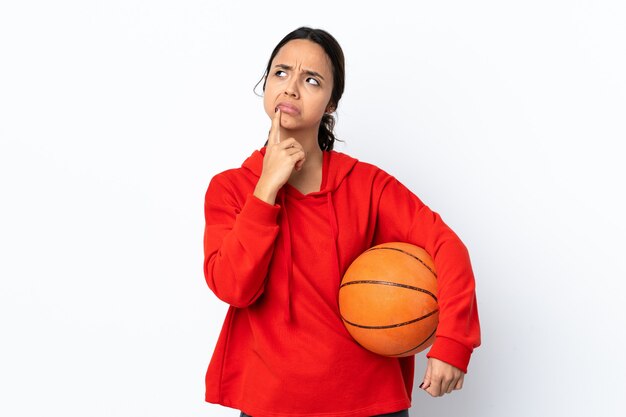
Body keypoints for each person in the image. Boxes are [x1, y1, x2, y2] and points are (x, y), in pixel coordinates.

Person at [202, 27, 481, 417]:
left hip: (370, 403)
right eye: (281, 73)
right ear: (265, 85)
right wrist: (266, 188)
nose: (292, 88)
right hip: (270, 403)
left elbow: (446, 245)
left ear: (331, 103)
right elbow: (234, 287)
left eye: (311, 80)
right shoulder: (230, 188)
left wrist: (454, 341)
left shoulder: (366, 185)